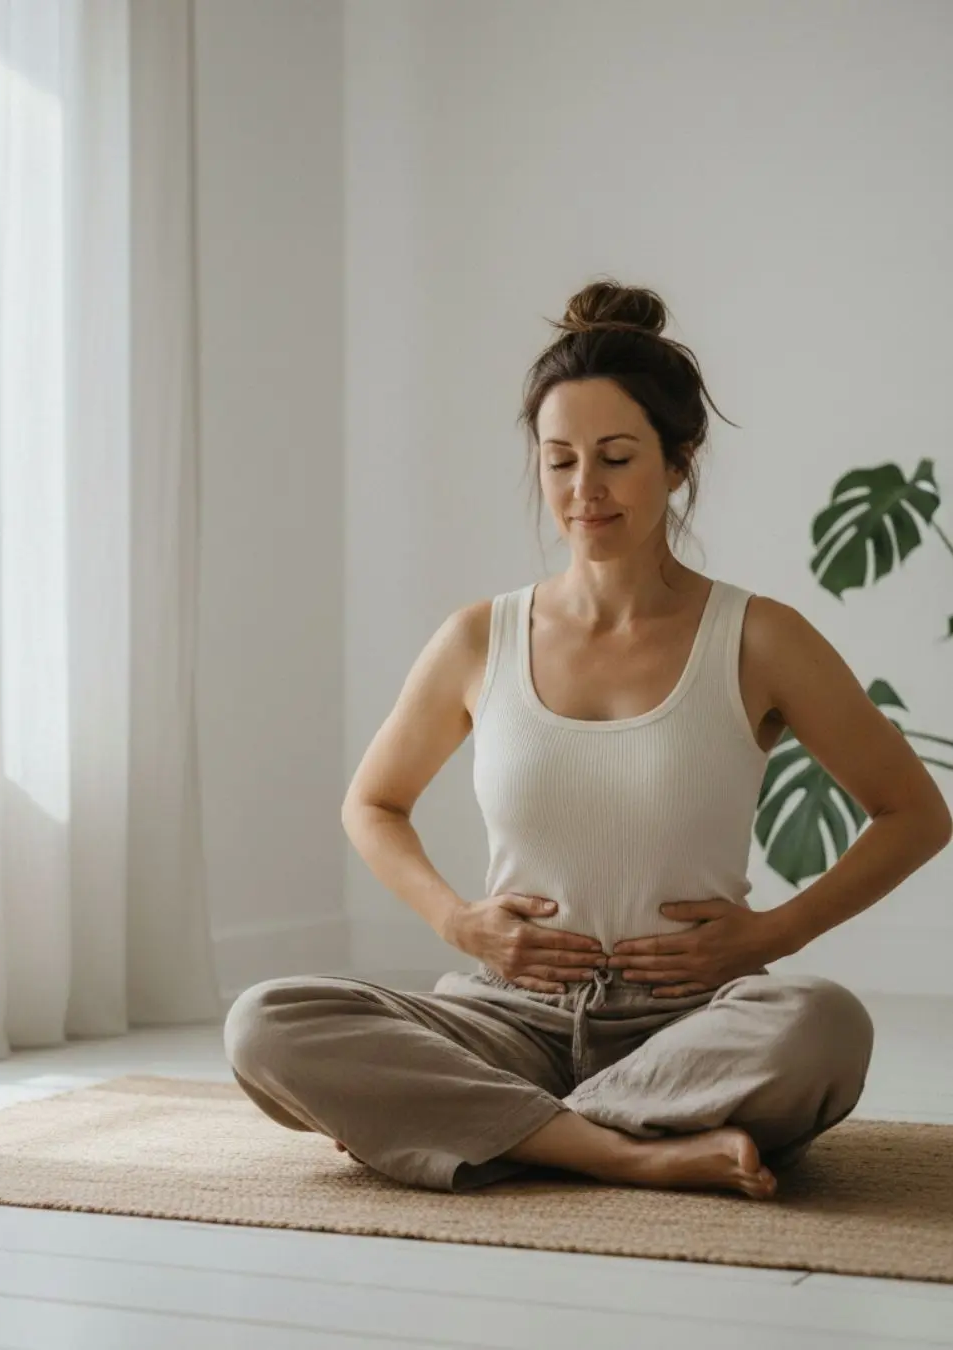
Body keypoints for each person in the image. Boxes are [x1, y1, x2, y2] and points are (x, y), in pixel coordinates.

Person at [224, 279, 952, 1199]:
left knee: (823, 1027)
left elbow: (914, 813)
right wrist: (457, 922)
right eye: (559, 459)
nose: (585, 491)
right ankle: (626, 1149)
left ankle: (484, 1127)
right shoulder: (478, 638)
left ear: (680, 460)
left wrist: (773, 932)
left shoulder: (760, 637)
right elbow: (372, 803)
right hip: (507, 1020)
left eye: (616, 457)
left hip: (693, 1022)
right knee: (266, 1023)